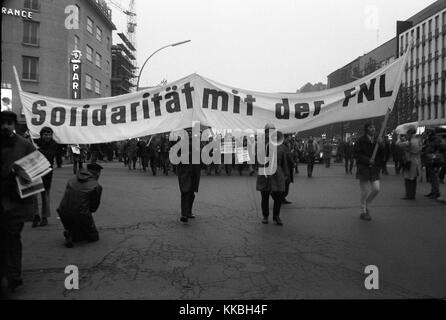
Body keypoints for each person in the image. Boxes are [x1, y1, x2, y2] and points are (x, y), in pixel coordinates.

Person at [0, 111, 36, 293]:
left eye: (9, 123)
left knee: (13, 237)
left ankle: (13, 276)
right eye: (2, 123)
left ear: (14, 125)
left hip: (15, 201)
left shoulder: (25, 145)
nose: (5, 126)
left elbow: (37, 171)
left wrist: (20, 174)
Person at [57, 163, 103, 248]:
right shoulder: (96, 186)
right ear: (97, 174)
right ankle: (75, 234)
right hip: (81, 213)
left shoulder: (72, 179)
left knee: (77, 226)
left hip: (63, 212)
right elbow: (93, 208)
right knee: (94, 237)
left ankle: (71, 232)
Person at [256, 124, 289, 226]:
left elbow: (284, 161)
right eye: (268, 131)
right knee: (264, 196)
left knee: (279, 196)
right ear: (265, 132)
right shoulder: (260, 145)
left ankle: (276, 217)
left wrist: (286, 174)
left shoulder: (281, 146)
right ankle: (265, 216)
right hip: (265, 172)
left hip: (277, 173)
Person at [354, 122, 384, 221]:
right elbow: (357, 154)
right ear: (366, 129)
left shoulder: (377, 140)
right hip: (363, 168)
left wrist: (382, 144)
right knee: (364, 191)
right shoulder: (360, 140)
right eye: (371, 127)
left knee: (376, 189)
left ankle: (366, 204)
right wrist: (367, 160)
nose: (373, 129)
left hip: (374, 169)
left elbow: (383, 154)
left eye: (374, 127)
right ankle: (363, 211)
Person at [32, 127, 59, 227]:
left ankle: (44, 217)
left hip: (47, 172)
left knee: (45, 194)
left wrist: (38, 150)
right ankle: (35, 215)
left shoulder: (54, 144)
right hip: (34, 171)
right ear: (41, 135)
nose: (48, 136)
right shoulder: (35, 143)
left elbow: (50, 155)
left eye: (49, 134)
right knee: (33, 194)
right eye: (46, 134)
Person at [177, 127, 202, 224]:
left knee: (191, 193)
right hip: (185, 170)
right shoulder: (181, 143)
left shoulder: (198, 143)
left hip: (195, 170)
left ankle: (189, 212)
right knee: (185, 191)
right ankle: (184, 214)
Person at [396, 127, 422, 200]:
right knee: (413, 180)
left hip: (410, 162)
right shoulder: (418, 140)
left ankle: (408, 195)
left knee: (408, 180)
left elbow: (398, 144)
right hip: (417, 162)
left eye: (407, 134)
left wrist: (399, 137)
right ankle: (412, 195)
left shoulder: (410, 141)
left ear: (410, 134)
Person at [422, 129, 443, 199]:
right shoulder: (430, 139)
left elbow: (435, 149)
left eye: (426, 133)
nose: (425, 134)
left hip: (435, 160)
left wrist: (428, 149)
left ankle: (436, 192)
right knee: (432, 177)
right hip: (430, 160)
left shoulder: (436, 140)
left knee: (434, 177)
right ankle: (433, 191)